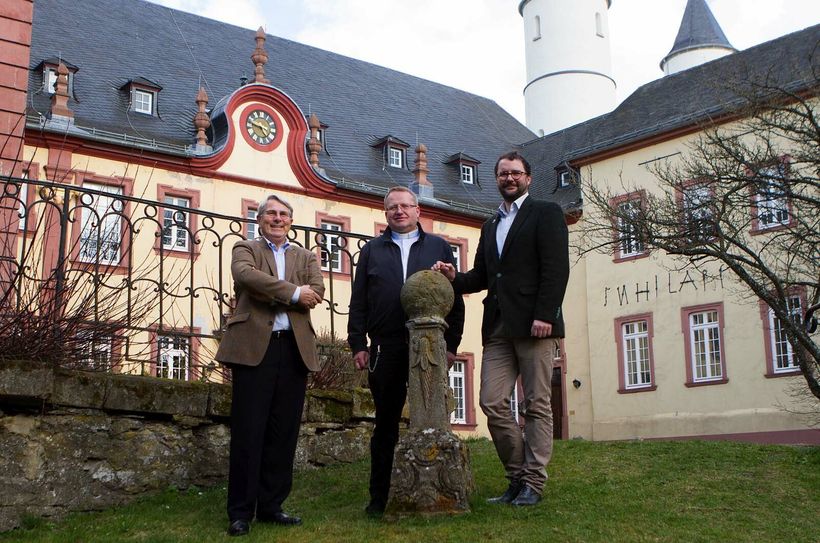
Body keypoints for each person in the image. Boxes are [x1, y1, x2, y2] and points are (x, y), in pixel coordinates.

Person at [433, 151, 569, 506]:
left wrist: (546, 315)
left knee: (537, 404)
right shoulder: (490, 224)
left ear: (528, 178)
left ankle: (533, 483)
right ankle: (517, 476)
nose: (509, 179)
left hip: (535, 324)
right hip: (497, 327)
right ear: (496, 179)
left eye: (515, 173)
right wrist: (454, 278)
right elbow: (481, 276)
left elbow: (556, 269)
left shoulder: (545, 213)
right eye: (502, 174)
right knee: (492, 402)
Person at [348, 186, 465, 516]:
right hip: (386, 346)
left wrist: (451, 344)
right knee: (385, 425)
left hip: (429, 344)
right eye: (392, 208)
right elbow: (358, 301)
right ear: (385, 214)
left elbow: (452, 298)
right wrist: (358, 343)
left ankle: (436, 490)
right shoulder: (372, 250)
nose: (399, 211)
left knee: (432, 418)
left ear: (418, 211)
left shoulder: (439, 247)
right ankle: (379, 497)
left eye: (405, 206)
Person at [215, 194, 325, 537]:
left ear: (290, 221)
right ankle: (241, 512)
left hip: (293, 350)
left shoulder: (305, 255)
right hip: (253, 349)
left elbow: (317, 291)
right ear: (260, 219)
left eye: (283, 214)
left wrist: (280, 291)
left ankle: (272, 506)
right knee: (249, 431)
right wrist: (294, 294)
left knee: (283, 433)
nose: (277, 219)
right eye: (271, 214)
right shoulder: (244, 248)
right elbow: (247, 278)